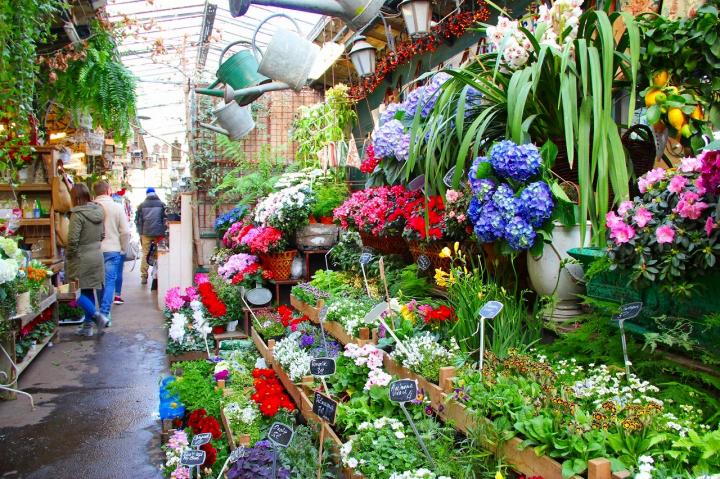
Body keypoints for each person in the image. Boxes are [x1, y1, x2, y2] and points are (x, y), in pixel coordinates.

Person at [66, 184, 109, 337]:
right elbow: (103, 234)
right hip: (96, 254)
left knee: (76, 292)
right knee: (87, 289)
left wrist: (70, 255)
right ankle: (87, 326)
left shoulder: (77, 215)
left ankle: (97, 317)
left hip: (81, 257)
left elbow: (72, 240)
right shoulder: (99, 211)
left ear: (75, 197)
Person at [94, 181, 130, 325]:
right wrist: (123, 248)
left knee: (99, 283)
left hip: (95, 250)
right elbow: (125, 232)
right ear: (108, 190)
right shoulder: (117, 207)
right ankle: (104, 314)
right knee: (110, 282)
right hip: (113, 249)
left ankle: (102, 313)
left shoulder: (92, 207)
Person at [135, 187, 166, 285]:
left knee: (145, 254)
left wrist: (140, 233)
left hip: (146, 233)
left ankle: (144, 276)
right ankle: (159, 275)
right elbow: (164, 219)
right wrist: (163, 231)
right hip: (159, 233)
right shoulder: (162, 204)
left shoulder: (141, 205)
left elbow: (138, 221)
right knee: (160, 254)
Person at [111, 189, 132, 305]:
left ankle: (105, 300)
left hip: (104, 247)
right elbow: (125, 232)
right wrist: (124, 248)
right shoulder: (119, 211)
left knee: (107, 275)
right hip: (117, 246)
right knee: (118, 272)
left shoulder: (100, 209)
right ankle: (117, 295)